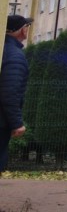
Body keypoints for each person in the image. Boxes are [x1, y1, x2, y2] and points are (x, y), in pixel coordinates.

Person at [0, 15, 32, 172]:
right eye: (27, 27)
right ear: (23, 30)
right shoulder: (15, 56)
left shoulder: (3, 49)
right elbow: (10, 91)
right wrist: (16, 123)